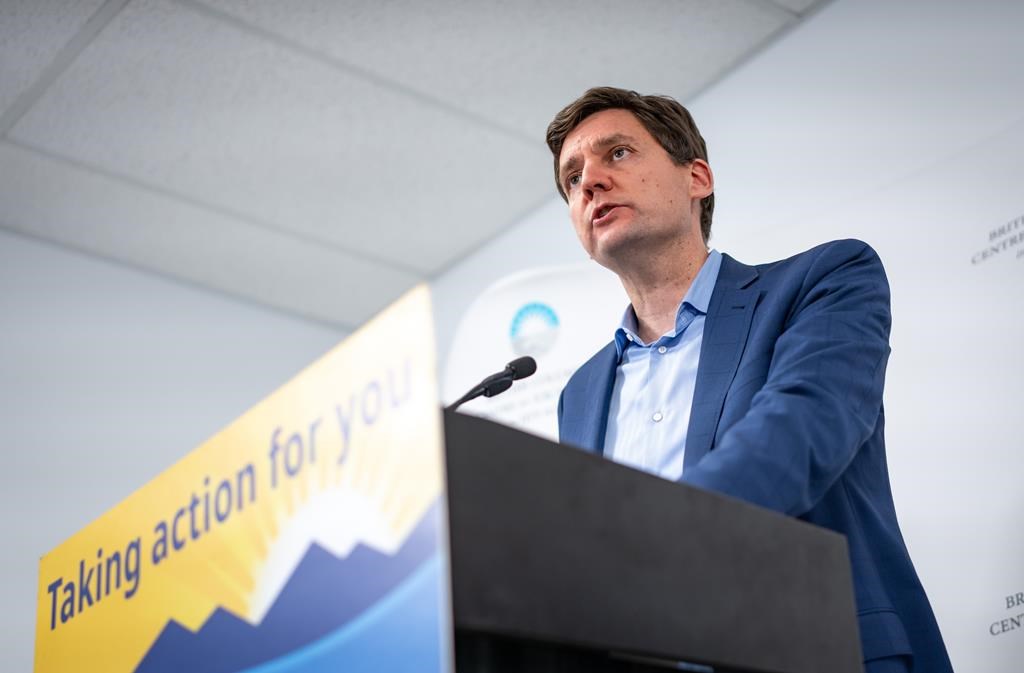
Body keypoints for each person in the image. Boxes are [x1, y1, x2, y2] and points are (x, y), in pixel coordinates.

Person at [548, 87, 953, 673]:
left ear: (698, 178)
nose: (590, 183)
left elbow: (799, 429)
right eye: (571, 179)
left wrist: (637, 545)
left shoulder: (824, 280)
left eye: (617, 154)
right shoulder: (578, 395)